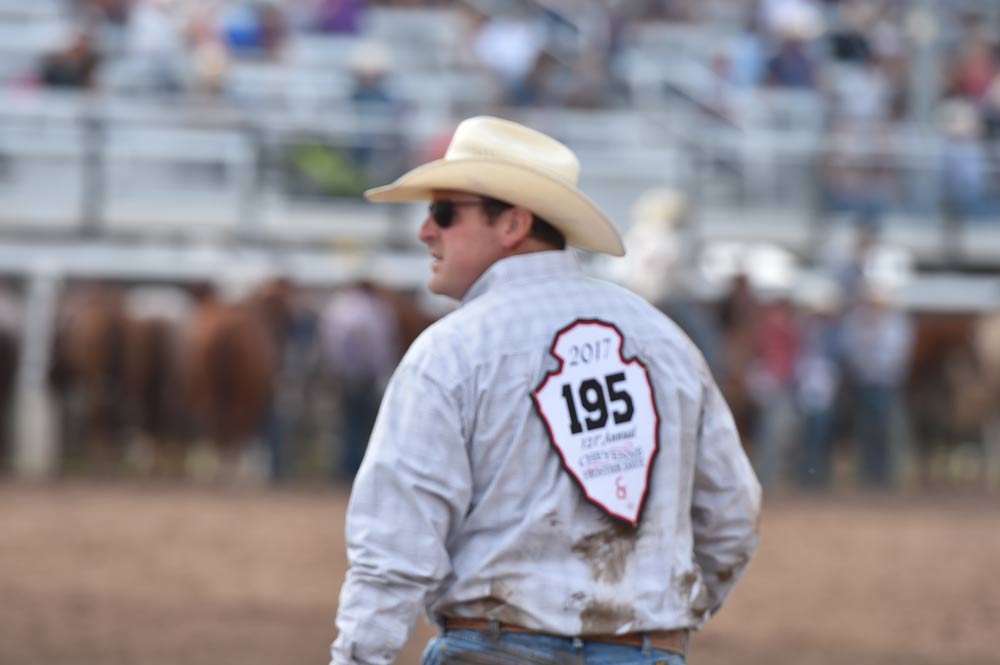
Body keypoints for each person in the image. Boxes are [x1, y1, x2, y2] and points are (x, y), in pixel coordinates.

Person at [329, 116, 761, 665]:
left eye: (443, 212)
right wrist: (657, 614)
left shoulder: (450, 352)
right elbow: (732, 515)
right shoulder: (667, 343)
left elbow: (393, 548)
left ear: (512, 223)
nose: (425, 230)